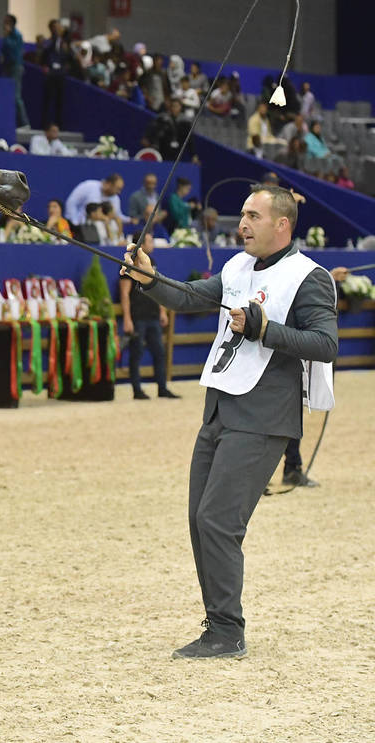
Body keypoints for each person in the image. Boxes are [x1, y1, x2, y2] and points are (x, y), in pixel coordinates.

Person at [121, 184, 337, 659]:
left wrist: (265, 329)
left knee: (218, 520)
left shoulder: (309, 277)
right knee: (200, 519)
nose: (241, 224)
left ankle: (226, 631)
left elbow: (325, 344)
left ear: (282, 224)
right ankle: (218, 623)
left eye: (253, 216)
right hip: (219, 407)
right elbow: (190, 297)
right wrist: (149, 278)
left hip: (264, 415)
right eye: (242, 214)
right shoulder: (237, 267)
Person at [119, 231, 178, 400]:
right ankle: (137, 390)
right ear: (141, 244)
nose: (153, 244)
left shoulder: (152, 262)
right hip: (137, 316)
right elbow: (124, 294)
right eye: (150, 241)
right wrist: (127, 318)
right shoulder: (128, 263)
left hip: (153, 315)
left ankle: (162, 388)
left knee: (159, 352)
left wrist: (162, 311)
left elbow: (156, 288)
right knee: (136, 353)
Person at [38, 19, 68, 128]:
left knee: (60, 101)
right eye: (54, 27)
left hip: (60, 74)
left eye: (58, 26)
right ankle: (45, 124)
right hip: (50, 73)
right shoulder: (48, 42)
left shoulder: (64, 43)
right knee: (48, 100)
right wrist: (45, 66)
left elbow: (66, 58)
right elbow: (43, 55)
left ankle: (59, 124)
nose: (57, 29)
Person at [1, 14, 30, 128]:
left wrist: (7, 36)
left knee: (16, 96)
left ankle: (25, 123)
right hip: (7, 67)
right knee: (6, 94)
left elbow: (14, 51)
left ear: (12, 23)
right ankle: (9, 122)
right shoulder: (7, 35)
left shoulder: (17, 35)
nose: (4, 24)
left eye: (7, 22)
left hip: (15, 67)